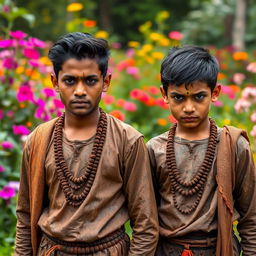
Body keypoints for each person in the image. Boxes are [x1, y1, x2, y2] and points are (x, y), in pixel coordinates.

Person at [15, 32, 158, 256]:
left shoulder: (127, 141)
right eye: (70, 81)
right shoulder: (39, 140)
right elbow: (25, 217)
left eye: (90, 80)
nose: (80, 91)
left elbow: (145, 224)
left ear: (105, 82)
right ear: (55, 82)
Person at [147, 45, 256, 256]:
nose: (189, 107)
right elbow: (144, 218)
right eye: (179, 97)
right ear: (164, 94)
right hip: (166, 250)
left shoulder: (233, 145)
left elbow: (251, 217)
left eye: (198, 97)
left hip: (218, 249)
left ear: (215, 93)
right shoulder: (155, 149)